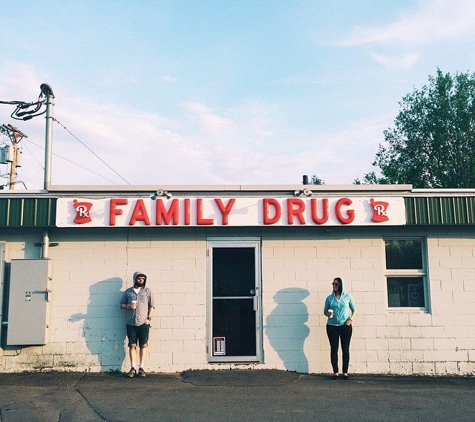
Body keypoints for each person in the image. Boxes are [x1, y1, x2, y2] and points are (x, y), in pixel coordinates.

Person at [120, 271, 155, 378]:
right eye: (139, 278)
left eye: (143, 279)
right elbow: (121, 305)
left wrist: (149, 318)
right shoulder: (128, 292)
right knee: (132, 346)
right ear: (135, 279)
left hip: (143, 322)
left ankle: (141, 368)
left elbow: (151, 306)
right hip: (131, 323)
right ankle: (133, 368)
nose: (141, 280)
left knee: (143, 345)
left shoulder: (147, 291)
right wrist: (128, 306)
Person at [323, 277, 355, 380]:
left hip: (345, 326)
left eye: (336, 284)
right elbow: (325, 312)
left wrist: (350, 320)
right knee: (334, 348)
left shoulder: (347, 297)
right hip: (332, 326)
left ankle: (345, 372)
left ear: (341, 285)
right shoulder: (329, 298)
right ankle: (335, 371)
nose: (334, 286)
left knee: (345, 349)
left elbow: (354, 310)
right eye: (333, 284)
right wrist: (328, 314)